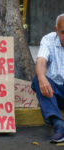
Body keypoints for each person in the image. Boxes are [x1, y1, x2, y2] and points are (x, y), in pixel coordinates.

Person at [31, 14, 64, 143]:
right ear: (56, 30)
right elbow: (41, 61)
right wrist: (41, 77)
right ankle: (59, 126)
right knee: (38, 80)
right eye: (63, 32)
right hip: (53, 92)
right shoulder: (48, 39)